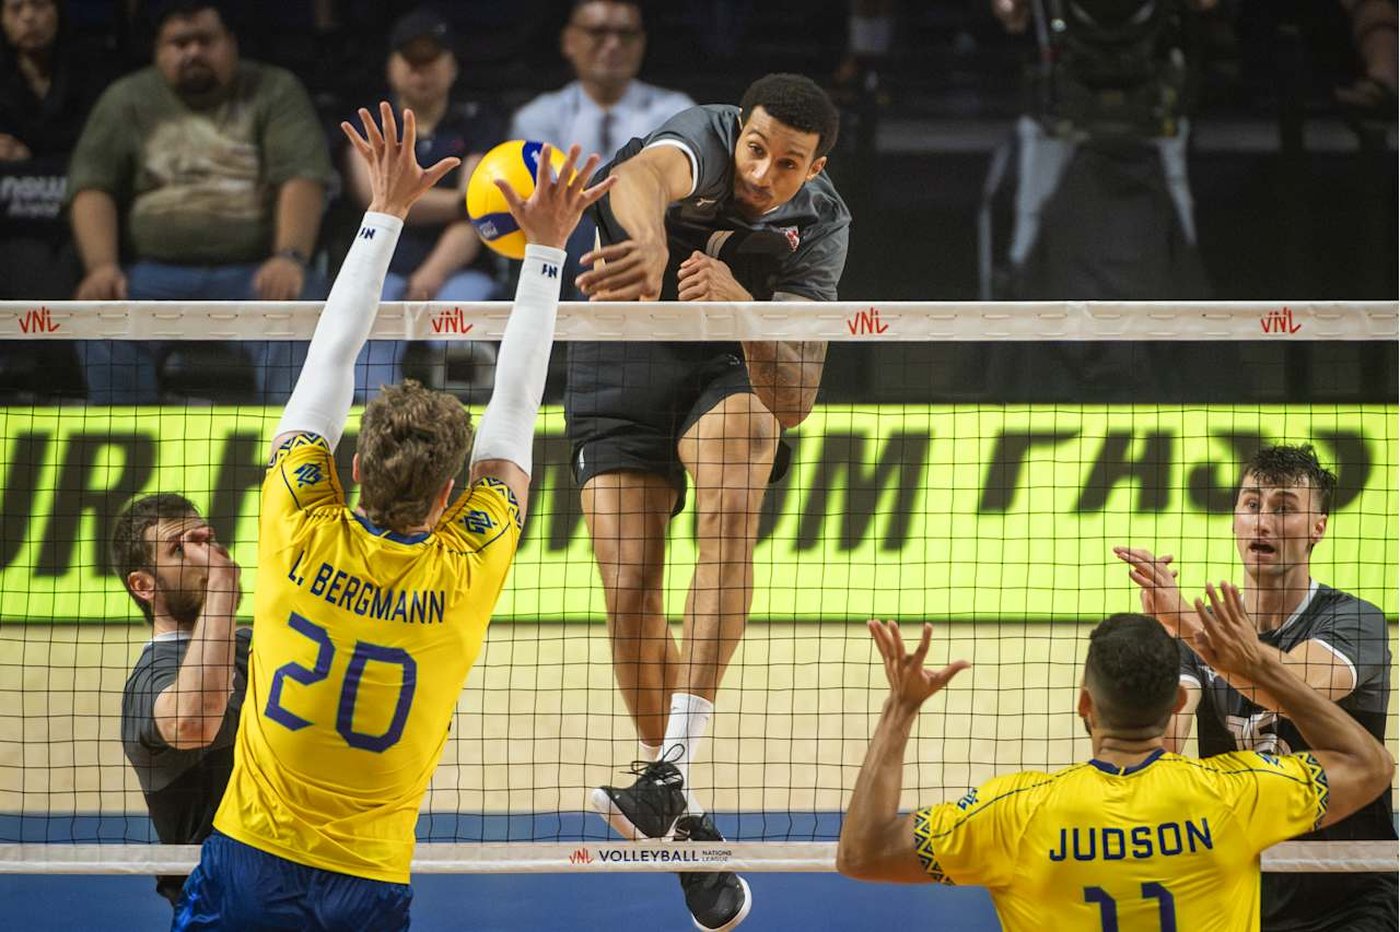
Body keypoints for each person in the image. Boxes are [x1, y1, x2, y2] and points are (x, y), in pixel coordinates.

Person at [171, 101, 612, 930]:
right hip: (366, 880)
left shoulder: (299, 520)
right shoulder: (465, 566)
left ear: (353, 469)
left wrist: (384, 210)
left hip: (250, 860)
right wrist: (549, 250)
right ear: (450, 498)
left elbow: (330, 358)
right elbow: (516, 410)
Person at [576, 72, 848, 932]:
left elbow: (795, 398)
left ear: (815, 167)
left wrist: (746, 313)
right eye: (756, 150)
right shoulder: (705, 135)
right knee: (629, 590)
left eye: (787, 163)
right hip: (620, 356)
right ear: (741, 132)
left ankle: (667, 770)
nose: (763, 173)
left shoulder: (821, 223)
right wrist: (651, 246)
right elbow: (638, 176)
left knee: (733, 497)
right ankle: (685, 817)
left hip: (728, 366)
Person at [836, 604, 1395, 931]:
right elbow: (1369, 765)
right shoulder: (1235, 794)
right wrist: (1262, 671)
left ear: (1085, 704)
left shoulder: (1016, 812)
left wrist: (900, 709)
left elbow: (861, 853)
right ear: (1178, 704)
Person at [1115, 442, 1398, 931]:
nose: (1263, 520)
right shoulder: (1194, 634)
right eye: (1251, 504)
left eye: (1283, 508)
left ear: (1318, 527)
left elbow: (1294, 687)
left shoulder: (1355, 620)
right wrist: (1150, 662)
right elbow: (1160, 748)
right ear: (1235, 521)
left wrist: (1186, 624)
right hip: (1240, 888)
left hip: (1348, 891)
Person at [67, 1, 334, 403]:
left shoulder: (275, 90)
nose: (193, 52)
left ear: (232, 43)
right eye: (179, 43)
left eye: (206, 41)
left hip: (254, 273)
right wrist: (101, 266)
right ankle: (129, 436)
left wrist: (289, 256)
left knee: (300, 312)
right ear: (157, 50)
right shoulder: (126, 99)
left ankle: (291, 436)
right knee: (98, 316)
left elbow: (302, 176)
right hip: (152, 276)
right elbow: (92, 185)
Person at [344, 6, 504, 400]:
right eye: (411, 61)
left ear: (451, 66)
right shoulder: (370, 123)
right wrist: (458, 203)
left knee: (462, 328)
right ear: (392, 66)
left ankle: (460, 426)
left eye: (431, 60)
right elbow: (375, 199)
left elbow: (477, 214)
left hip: (459, 271)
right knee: (364, 332)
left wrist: (431, 275)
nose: (421, 72)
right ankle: (373, 422)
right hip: (382, 268)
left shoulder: (479, 122)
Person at [508, 0, 693, 298]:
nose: (613, 44)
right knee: (582, 227)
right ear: (569, 41)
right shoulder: (536, 118)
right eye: (598, 32)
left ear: (641, 43)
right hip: (566, 249)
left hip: (656, 239)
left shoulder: (676, 111)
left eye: (626, 34)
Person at [114, 494, 246, 908]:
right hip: (224, 905)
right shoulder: (150, 680)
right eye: (180, 549)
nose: (205, 556)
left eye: (205, 540)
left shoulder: (252, 645)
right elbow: (193, 723)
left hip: (312, 890)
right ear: (144, 585)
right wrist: (223, 584)